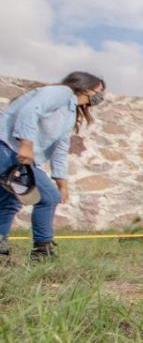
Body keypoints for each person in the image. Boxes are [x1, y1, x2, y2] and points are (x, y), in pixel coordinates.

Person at [0, 72, 106, 261]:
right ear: (85, 87)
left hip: (18, 154)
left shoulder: (70, 111)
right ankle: (42, 250)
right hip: (8, 147)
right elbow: (31, 110)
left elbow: (60, 146)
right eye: (99, 91)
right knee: (48, 197)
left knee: (9, 201)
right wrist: (26, 143)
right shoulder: (62, 92)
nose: (100, 96)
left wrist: (61, 180)